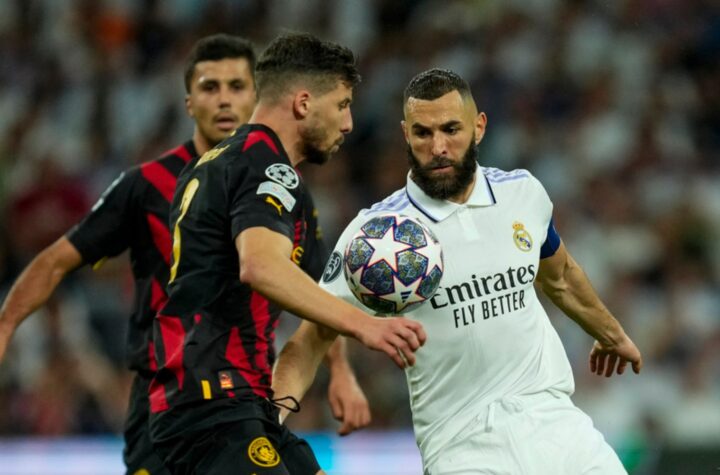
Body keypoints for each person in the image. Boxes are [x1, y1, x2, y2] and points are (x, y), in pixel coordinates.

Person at [0, 34, 370, 475]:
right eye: (210, 87)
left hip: (241, 395)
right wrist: (5, 326)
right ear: (189, 102)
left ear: (257, 94)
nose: (226, 100)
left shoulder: (282, 188)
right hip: (180, 394)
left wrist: (341, 371)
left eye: (237, 86)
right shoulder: (147, 185)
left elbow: (313, 290)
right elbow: (57, 260)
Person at [271, 68, 643, 474]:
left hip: (557, 425)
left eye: (451, 129)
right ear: (405, 135)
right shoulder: (377, 238)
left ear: (479, 127)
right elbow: (310, 339)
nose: (438, 147)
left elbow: (560, 275)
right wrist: (269, 422)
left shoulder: (522, 193)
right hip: (462, 447)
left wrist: (611, 333)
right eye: (423, 133)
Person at [147, 33, 426, 475]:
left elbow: (298, 295)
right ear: (302, 103)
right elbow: (260, 266)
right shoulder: (266, 166)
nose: (349, 122)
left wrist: (280, 401)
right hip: (211, 403)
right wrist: (365, 327)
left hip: (233, 404)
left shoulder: (216, 163)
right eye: (342, 104)